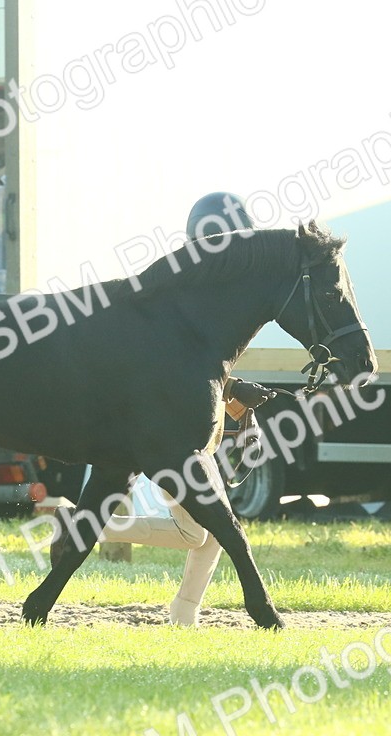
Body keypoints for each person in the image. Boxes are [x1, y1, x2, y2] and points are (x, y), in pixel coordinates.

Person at [51, 192, 275, 625]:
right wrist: (235, 389)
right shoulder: (195, 294)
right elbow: (174, 369)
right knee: (199, 533)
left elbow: (194, 371)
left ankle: (184, 613)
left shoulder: (201, 291)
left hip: (183, 429)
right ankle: (86, 527)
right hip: (171, 434)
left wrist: (234, 396)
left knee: (213, 533)